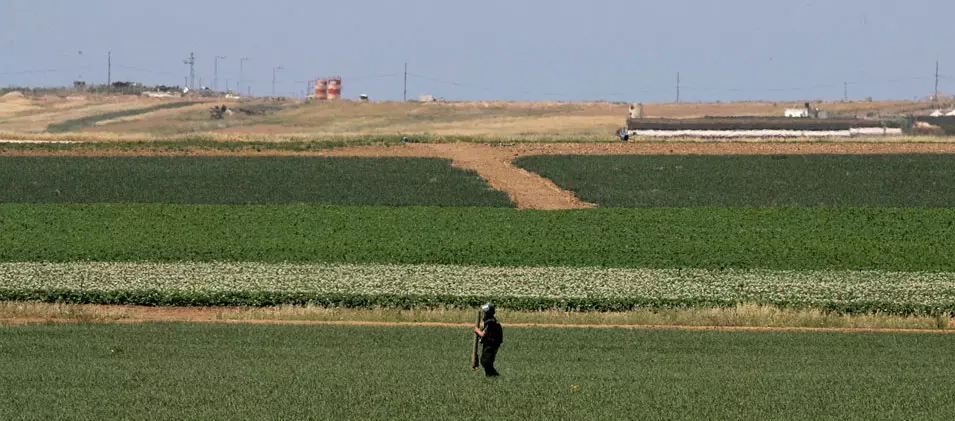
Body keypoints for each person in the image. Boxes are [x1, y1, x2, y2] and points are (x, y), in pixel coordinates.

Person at [474, 303, 503, 377]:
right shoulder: (491, 321)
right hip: (491, 344)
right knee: (485, 361)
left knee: (486, 361)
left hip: (491, 345)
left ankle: (494, 375)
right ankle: (489, 375)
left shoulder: (490, 322)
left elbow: (483, 334)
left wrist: (477, 331)